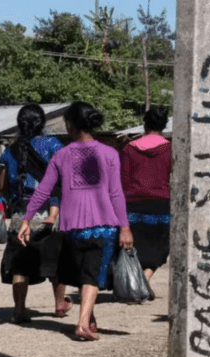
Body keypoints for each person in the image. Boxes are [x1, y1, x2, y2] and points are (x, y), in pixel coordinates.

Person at [19, 101, 132, 341]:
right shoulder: (110, 153)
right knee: (91, 275)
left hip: (72, 227)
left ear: (70, 126)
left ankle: (88, 320)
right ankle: (82, 324)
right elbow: (116, 194)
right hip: (104, 225)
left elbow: (43, 190)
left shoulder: (61, 155)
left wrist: (27, 218)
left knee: (83, 273)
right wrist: (125, 227)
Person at [0, 104, 68, 324]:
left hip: (21, 214)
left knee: (20, 263)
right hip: (50, 212)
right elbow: (62, 179)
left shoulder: (10, 150)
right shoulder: (53, 145)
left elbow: (3, 184)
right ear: (42, 122)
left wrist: (12, 203)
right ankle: (59, 305)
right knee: (56, 261)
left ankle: (19, 310)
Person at [120, 107, 171, 291]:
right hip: (161, 204)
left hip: (133, 204)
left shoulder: (129, 149)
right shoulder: (169, 148)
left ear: (144, 123)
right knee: (161, 247)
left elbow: (123, 180)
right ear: (164, 125)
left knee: (137, 247)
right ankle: (143, 280)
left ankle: (139, 282)